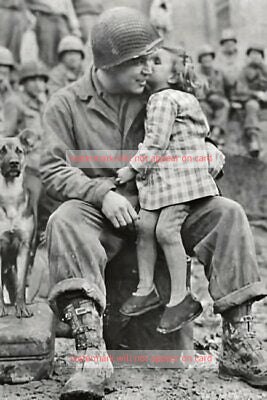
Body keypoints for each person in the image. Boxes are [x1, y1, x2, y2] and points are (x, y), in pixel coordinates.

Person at [41, 7, 267, 400]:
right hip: (101, 215)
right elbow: (51, 167)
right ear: (109, 64)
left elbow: (199, 138)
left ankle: (240, 345)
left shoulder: (162, 96)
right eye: (138, 61)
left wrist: (210, 157)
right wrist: (102, 193)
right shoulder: (65, 105)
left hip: (165, 211)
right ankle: (90, 355)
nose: (149, 68)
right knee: (64, 219)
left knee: (226, 214)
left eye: (151, 59)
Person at [116, 45, 222, 335]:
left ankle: (181, 297)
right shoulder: (169, 98)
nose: (149, 65)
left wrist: (131, 168)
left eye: (157, 61)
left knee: (165, 231)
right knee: (145, 225)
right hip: (165, 181)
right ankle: (145, 287)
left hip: (181, 181)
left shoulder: (165, 99)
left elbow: (156, 143)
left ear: (174, 74)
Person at [26, 0, 81, 67]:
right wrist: (30, 17)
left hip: (61, 19)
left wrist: (75, 27)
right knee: (47, 52)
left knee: (64, 48)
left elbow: (69, 7)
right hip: (45, 17)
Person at [197, 44, 229, 147]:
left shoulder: (218, 73)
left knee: (225, 105)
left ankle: (216, 132)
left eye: (209, 57)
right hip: (204, 101)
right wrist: (208, 95)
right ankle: (207, 135)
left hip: (218, 100)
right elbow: (197, 92)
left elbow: (227, 88)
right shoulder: (196, 74)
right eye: (204, 57)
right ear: (200, 60)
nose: (207, 60)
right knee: (203, 108)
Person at [5, 60, 48, 137]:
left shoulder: (43, 103)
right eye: (32, 80)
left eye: (41, 80)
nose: (38, 85)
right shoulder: (14, 102)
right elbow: (6, 136)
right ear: (23, 82)